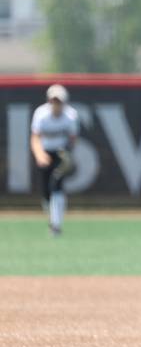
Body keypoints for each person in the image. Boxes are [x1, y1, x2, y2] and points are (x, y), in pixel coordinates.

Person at [30, 84, 79, 236]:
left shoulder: (71, 116)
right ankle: (51, 213)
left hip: (60, 153)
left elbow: (72, 139)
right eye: (53, 101)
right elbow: (35, 138)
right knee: (46, 192)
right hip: (45, 153)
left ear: (64, 102)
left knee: (56, 185)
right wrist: (39, 154)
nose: (56, 105)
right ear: (49, 101)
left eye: (59, 101)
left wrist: (68, 155)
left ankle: (56, 225)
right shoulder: (41, 114)